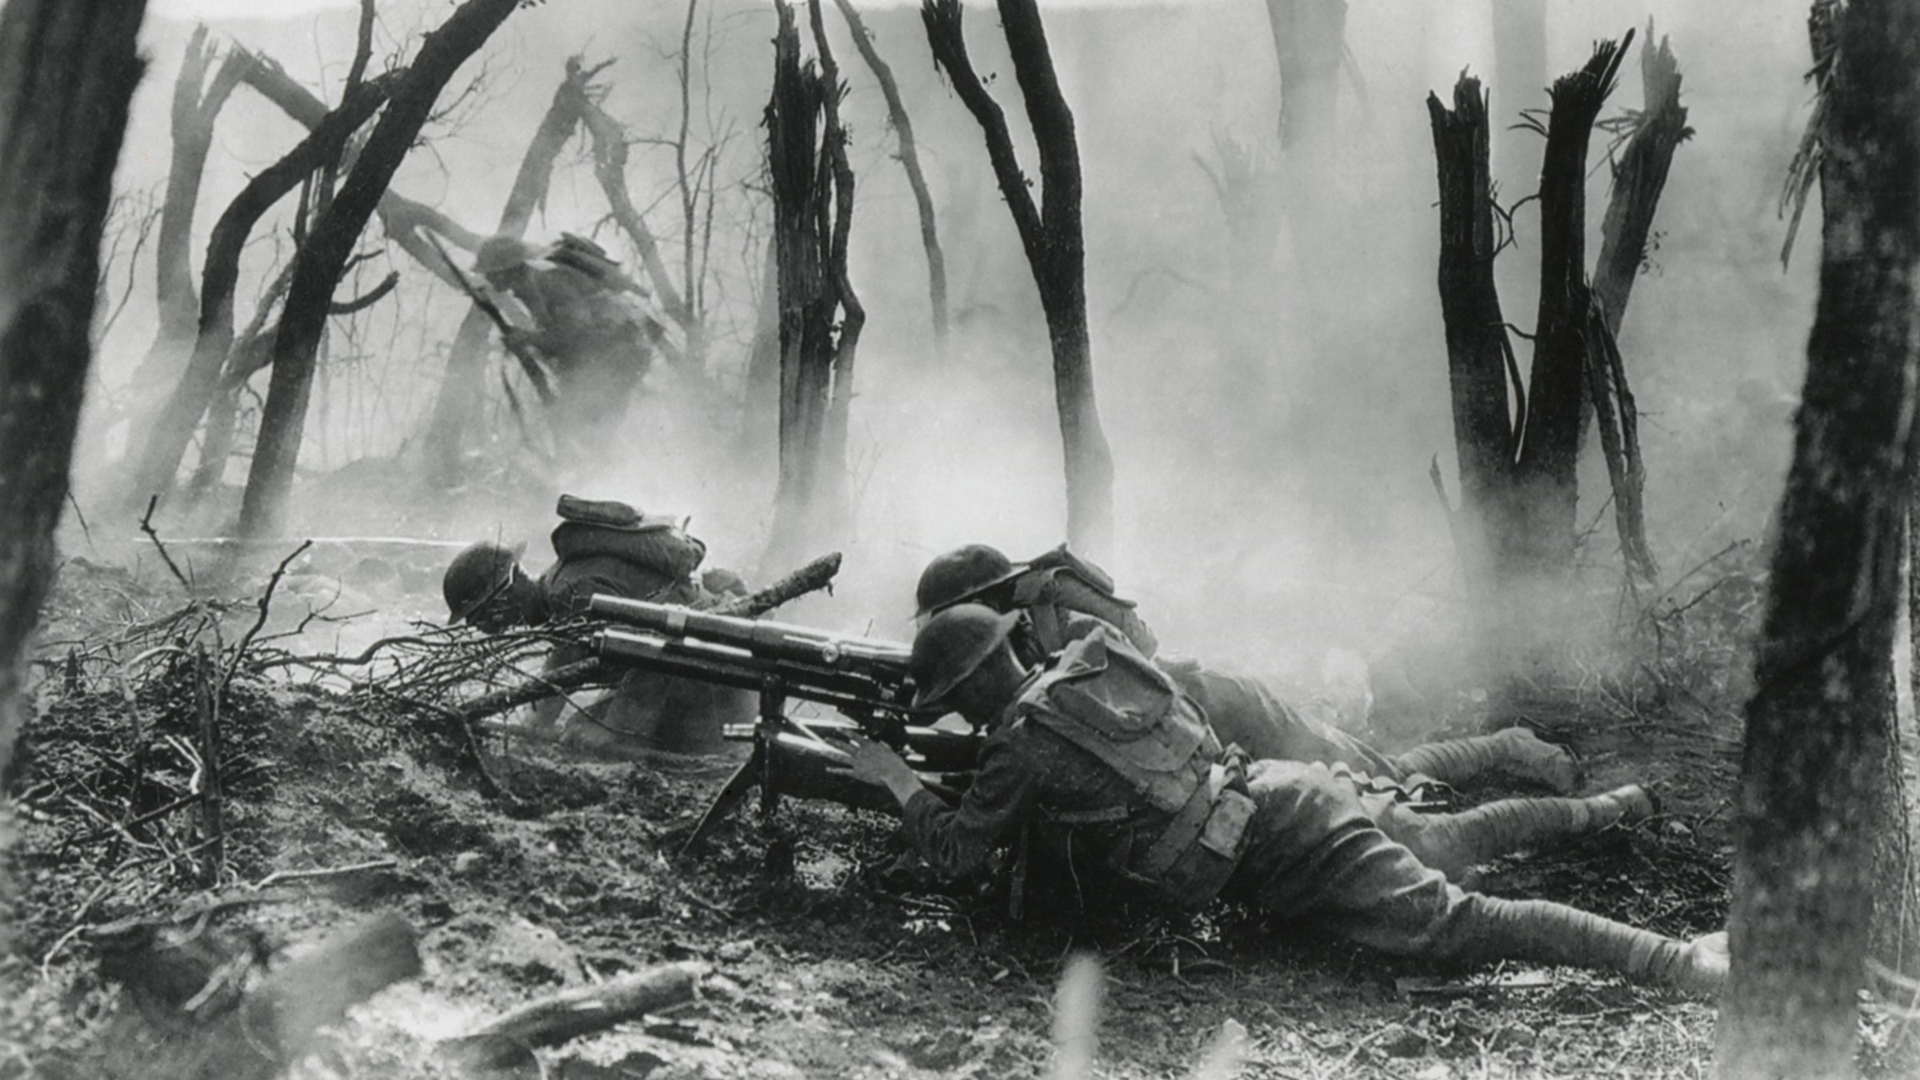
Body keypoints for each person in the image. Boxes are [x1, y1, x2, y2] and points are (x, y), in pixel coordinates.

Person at [838, 606, 1728, 992]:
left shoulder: (1020, 748)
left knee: (1458, 920)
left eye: (954, 700)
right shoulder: (1089, 659)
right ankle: (1615, 812)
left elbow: (957, 854)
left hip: (1281, 838)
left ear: (971, 688)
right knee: (1447, 840)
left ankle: (1678, 962)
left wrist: (898, 780)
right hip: (1275, 796)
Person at [913, 544, 1578, 796]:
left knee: (1383, 773)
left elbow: (1139, 661)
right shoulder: (1013, 635)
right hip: (1197, 737)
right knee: (1364, 782)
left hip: (1218, 705)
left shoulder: (1053, 601)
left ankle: (1511, 747)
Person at [443, 495, 752, 754]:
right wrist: (531, 725)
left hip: (721, 675)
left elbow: (651, 649)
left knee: (593, 742)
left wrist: (617, 731)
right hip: (699, 669)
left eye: (481, 616)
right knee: (579, 731)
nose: (484, 628)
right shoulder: (561, 594)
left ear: (502, 598)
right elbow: (560, 673)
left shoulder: (571, 594)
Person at [473, 233, 663, 460]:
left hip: (617, 352)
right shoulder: (530, 284)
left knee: (580, 424)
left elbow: (575, 329)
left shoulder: (547, 280)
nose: (488, 278)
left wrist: (527, 339)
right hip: (612, 353)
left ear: (506, 269)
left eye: (491, 272)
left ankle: (615, 477)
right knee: (579, 426)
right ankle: (606, 474)